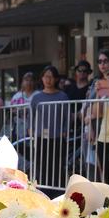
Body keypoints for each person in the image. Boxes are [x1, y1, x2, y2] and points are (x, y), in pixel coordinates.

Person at [31, 66, 70, 197]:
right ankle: (42, 193)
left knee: (57, 166)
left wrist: (64, 131)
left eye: (51, 76)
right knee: (41, 166)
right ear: (42, 78)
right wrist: (31, 130)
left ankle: (57, 194)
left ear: (56, 79)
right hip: (41, 137)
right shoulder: (36, 97)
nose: (48, 79)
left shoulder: (62, 96)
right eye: (46, 76)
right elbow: (31, 116)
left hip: (58, 137)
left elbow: (67, 116)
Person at [89, 65, 109, 185]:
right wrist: (98, 94)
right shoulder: (106, 94)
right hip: (103, 139)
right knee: (106, 178)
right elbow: (95, 113)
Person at [10, 72, 39, 140]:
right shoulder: (16, 96)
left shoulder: (39, 95)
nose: (29, 82)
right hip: (19, 127)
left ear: (34, 82)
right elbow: (11, 110)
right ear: (22, 82)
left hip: (35, 127)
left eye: (31, 80)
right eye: (26, 80)